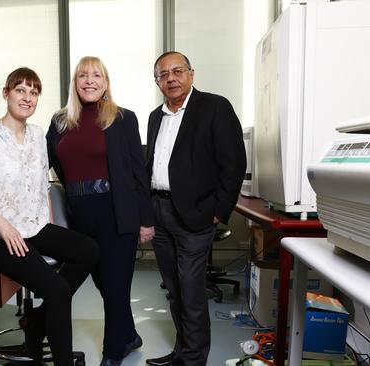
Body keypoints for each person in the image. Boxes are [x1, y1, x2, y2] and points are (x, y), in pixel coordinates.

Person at [0, 67, 99, 366]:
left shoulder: (37, 136)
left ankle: (36, 319)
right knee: (58, 291)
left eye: (34, 92)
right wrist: (1, 223)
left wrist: (46, 223)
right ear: (6, 93)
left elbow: (41, 185)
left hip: (33, 226)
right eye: (21, 90)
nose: (27, 97)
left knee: (89, 250)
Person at [47, 56, 155, 366]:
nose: (89, 80)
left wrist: (146, 220)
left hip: (116, 213)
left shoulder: (122, 118)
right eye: (83, 75)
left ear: (105, 83)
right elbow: (43, 162)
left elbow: (138, 173)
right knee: (105, 285)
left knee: (116, 285)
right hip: (78, 216)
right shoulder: (59, 121)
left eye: (97, 75)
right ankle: (131, 335)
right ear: (75, 82)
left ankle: (112, 353)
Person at [144, 52, 246, 366]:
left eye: (178, 71)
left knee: (190, 291)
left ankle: (193, 360)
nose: (171, 78)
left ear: (191, 73)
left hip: (195, 215)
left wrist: (218, 211)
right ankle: (181, 352)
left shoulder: (214, 107)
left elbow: (234, 164)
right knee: (174, 290)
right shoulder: (155, 116)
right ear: (157, 81)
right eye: (163, 74)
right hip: (159, 212)